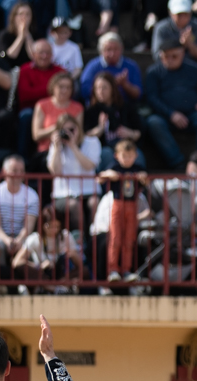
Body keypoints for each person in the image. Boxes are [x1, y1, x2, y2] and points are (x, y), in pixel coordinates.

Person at [143, 40, 197, 171]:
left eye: (174, 56)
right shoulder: (154, 72)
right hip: (166, 116)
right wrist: (171, 113)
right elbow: (152, 98)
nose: (170, 60)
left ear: (183, 53)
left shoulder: (195, 70)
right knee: (153, 122)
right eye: (166, 56)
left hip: (193, 114)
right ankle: (178, 162)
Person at [98, 139, 146, 279]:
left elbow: (146, 180)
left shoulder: (137, 169)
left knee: (129, 239)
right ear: (117, 156)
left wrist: (143, 177)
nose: (127, 159)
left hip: (132, 206)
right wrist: (109, 174)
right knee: (115, 237)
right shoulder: (114, 167)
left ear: (135, 156)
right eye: (124, 156)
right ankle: (113, 270)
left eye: (130, 156)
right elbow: (100, 177)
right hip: (118, 205)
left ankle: (126, 270)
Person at [46, 113, 101, 232]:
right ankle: (80, 243)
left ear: (78, 128)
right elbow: (55, 172)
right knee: (74, 205)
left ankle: (95, 240)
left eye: (71, 129)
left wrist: (73, 146)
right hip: (64, 194)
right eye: (64, 131)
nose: (69, 133)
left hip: (90, 191)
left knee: (94, 203)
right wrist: (57, 148)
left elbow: (89, 166)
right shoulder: (56, 146)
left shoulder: (92, 142)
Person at [0, 155, 41, 271]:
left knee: (30, 243)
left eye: (21, 171)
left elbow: (28, 227)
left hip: (21, 237)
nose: (18, 174)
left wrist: (19, 240)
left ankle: (27, 283)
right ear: (4, 172)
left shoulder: (32, 196)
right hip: (2, 237)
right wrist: (7, 241)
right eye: (14, 170)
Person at [12, 204, 84, 288]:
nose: (54, 230)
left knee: (84, 271)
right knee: (24, 269)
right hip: (42, 274)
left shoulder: (66, 236)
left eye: (57, 226)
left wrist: (73, 255)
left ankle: (60, 285)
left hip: (62, 274)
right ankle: (51, 288)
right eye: (50, 226)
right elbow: (16, 262)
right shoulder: (34, 238)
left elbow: (80, 265)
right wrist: (39, 266)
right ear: (42, 225)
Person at [17, 39, 64, 157]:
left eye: (48, 53)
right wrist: (50, 88)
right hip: (31, 109)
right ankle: (23, 158)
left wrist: (37, 91)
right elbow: (25, 95)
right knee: (25, 117)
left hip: (54, 108)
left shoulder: (60, 71)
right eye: (41, 52)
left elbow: (65, 92)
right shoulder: (25, 69)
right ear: (33, 54)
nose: (44, 56)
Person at [83, 71, 139, 169]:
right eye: (97, 88)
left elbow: (139, 131)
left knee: (137, 155)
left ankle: (137, 184)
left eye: (104, 87)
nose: (100, 91)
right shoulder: (91, 111)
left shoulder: (125, 107)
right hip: (104, 148)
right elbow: (85, 136)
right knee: (106, 154)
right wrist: (100, 128)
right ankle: (109, 184)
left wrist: (130, 133)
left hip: (125, 147)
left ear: (113, 89)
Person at [79, 32, 142, 104]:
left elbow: (138, 94)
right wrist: (104, 87)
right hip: (98, 107)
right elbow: (84, 91)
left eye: (116, 49)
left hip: (125, 108)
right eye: (108, 50)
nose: (112, 53)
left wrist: (125, 85)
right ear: (101, 51)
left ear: (122, 49)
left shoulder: (131, 66)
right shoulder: (92, 66)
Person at [153, 0, 197, 70]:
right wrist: (179, 47)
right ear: (170, 13)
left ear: (190, 13)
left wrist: (190, 44)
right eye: (179, 14)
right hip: (167, 67)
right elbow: (157, 55)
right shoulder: (161, 28)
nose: (182, 18)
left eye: (185, 14)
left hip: (193, 67)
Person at [34, 72, 84, 158]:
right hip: (46, 151)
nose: (64, 90)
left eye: (68, 87)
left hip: (70, 151)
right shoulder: (42, 105)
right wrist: (57, 128)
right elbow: (36, 135)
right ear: (53, 87)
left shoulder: (78, 108)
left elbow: (79, 134)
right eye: (61, 87)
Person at [0, 2, 36, 70]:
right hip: (9, 71)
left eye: (27, 14)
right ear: (14, 17)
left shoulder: (36, 35)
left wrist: (27, 35)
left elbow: (34, 56)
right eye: (21, 14)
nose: (24, 17)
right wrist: (21, 36)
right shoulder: (5, 35)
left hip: (29, 71)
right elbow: (11, 55)